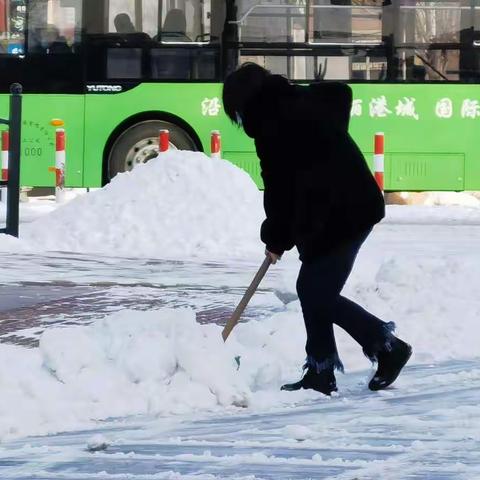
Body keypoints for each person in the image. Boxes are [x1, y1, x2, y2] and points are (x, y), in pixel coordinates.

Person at [222, 63, 412, 395]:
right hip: (342, 209)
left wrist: (276, 238)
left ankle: (387, 347)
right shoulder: (304, 101)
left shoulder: (272, 127)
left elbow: (280, 191)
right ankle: (321, 370)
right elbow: (340, 93)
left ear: (244, 104)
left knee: (315, 292)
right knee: (312, 288)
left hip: (341, 216)